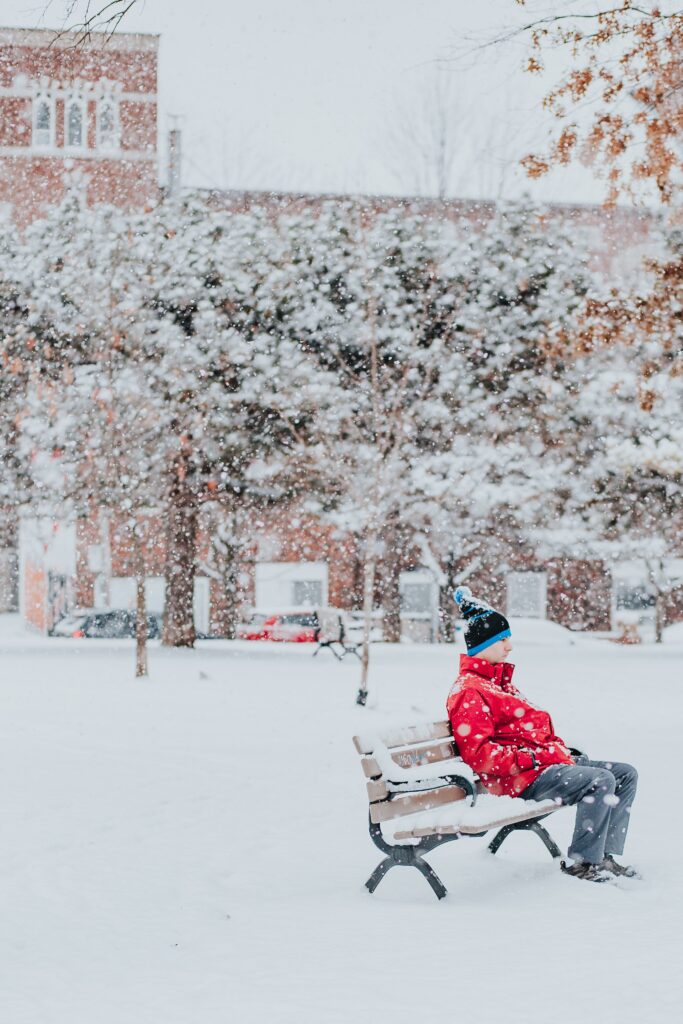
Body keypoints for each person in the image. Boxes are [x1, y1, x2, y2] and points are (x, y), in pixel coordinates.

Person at [446, 586, 639, 883]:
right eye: (503, 639)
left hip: (541, 767)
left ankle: (603, 857)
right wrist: (539, 757)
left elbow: (528, 731)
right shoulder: (471, 691)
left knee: (625, 774)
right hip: (517, 779)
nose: (509, 647)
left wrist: (557, 752)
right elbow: (481, 757)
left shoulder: (498, 684)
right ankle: (582, 864)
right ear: (484, 643)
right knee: (600, 780)